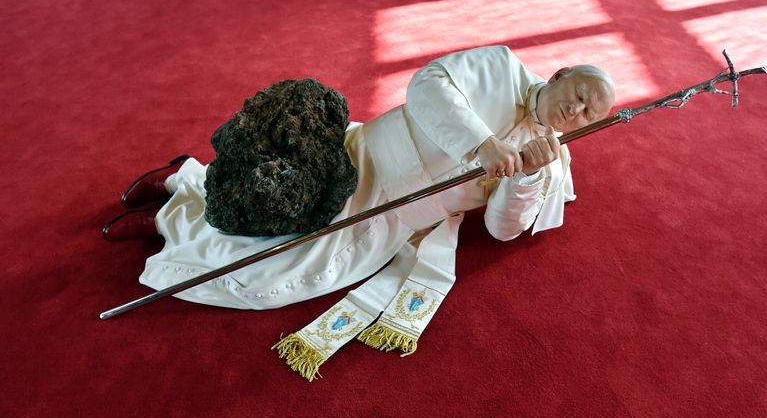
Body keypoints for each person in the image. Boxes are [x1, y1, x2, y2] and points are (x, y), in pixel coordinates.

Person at [103, 45, 616, 380]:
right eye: (578, 96)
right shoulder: (501, 66)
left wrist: (525, 178)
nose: (575, 111)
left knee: (275, 274)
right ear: (561, 75)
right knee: (276, 194)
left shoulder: (548, 163)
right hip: (364, 157)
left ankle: (172, 211)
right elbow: (427, 86)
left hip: (393, 215)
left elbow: (503, 231)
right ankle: (182, 184)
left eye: (587, 115)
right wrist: (482, 144)